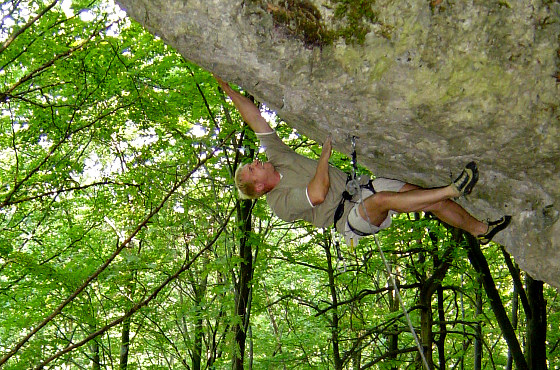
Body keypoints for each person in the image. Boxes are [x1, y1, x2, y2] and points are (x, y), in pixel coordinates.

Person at [216, 77, 511, 246]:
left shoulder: (277, 158)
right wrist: (324, 156)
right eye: (254, 167)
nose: (257, 161)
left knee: (424, 199)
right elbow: (317, 194)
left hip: (359, 188)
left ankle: (481, 231)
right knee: (384, 199)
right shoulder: (278, 203)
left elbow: (254, 119)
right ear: (257, 184)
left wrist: (229, 90)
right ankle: (452, 190)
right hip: (348, 218)